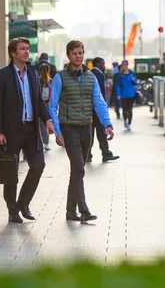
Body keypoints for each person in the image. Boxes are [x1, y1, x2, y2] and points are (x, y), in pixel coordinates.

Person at [49, 40, 115, 223]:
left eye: (80, 53)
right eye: (74, 53)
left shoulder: (91, 77)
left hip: (87, 128)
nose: (78, 56)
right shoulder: (60, 77)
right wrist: (58, 131)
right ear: (68, 55)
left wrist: (107, 124)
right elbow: (53, 105)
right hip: (69, 127)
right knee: (78, 167)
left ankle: (70, 211)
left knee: (77, 170)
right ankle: (83, 210)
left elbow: (99, 102)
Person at [0, 37, 55, 224]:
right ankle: (12, 210)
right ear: (13, 53)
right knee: (11, 171)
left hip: (31, 129)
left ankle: (23, 203)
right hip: (11, 131)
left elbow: (37, 100)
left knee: (38, 165)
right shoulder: (1, 75)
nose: (27, 52)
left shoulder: (33, 73)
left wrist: (48, 120)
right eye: (22, 49)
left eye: (28, 48)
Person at [87, 57, 120, 163]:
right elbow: (100, 94)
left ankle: (88, 155)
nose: (104, 66)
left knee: (90, 133)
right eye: (102, 63)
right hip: (97, 109)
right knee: (102, 132)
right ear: (97, 63)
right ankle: (106, 153)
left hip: (90, 109)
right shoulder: (99, 74)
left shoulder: (90, 73)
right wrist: (104, 106)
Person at [115, 61, 137, 131]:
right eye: (123, 65)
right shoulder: (120, 75)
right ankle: (125, 119)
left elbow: (135, 83)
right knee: (125, 109)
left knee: (130, 110)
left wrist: (133, 80)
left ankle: (129, 124)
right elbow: (118, 85)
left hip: (131, 94)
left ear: (127, 65)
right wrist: (118, 94)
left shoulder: (131, 73)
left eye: (125, 65)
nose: (124, 66)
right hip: (123, 95)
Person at [39, 63, 53, 151]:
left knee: (39, 125)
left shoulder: (38, 80)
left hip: (40, 104)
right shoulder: (50, 81)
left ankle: (40, 142)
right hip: (48, 105)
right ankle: (46, 143)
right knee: (47, 124)